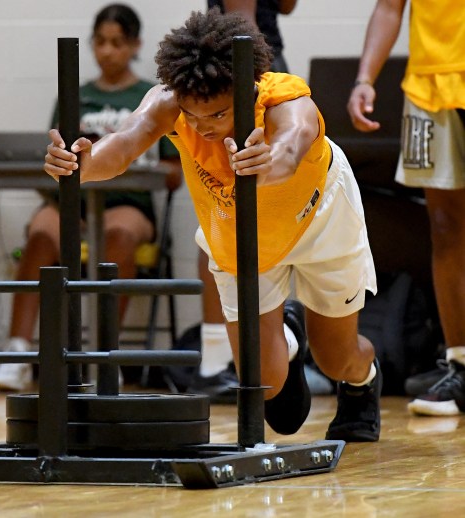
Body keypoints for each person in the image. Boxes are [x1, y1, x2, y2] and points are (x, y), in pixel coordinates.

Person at [45, 8, 382, 441]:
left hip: (319, 217)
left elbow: (294, 142)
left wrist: (270, 160)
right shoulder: (168, 102)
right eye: (194, 117)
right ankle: (288, 340)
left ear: (246, 93)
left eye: (218, 116)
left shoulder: (285, 99)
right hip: (243, 234)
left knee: (337, 360)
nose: (202, 128)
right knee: (274, 400)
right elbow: (126, 142)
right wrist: (82, 165)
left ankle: (363, 382)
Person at [0, 3, 181, 391]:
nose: (107, 51)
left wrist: (133, 165)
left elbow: (175, 172)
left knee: (119, 237)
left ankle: (104, 353)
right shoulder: (74, 95)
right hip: (71, 202)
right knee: (41, 235)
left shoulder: (153, 96)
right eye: (100, 42)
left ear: (135, 45)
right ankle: (18, 353)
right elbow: (53, 157)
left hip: (128, 203)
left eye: (117, 43)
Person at [194, 0, 331, 403]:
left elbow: (283, 6)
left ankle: (247, 348)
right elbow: (243, 23)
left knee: (241, 205)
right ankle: (222, 356)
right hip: (240, 67)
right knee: (223, 212)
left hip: (254, 69)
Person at [347, 0, 465, 417]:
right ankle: (460, 364)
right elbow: (389, 7)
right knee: (445, 224)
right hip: (429, 86)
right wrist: (366, 78)